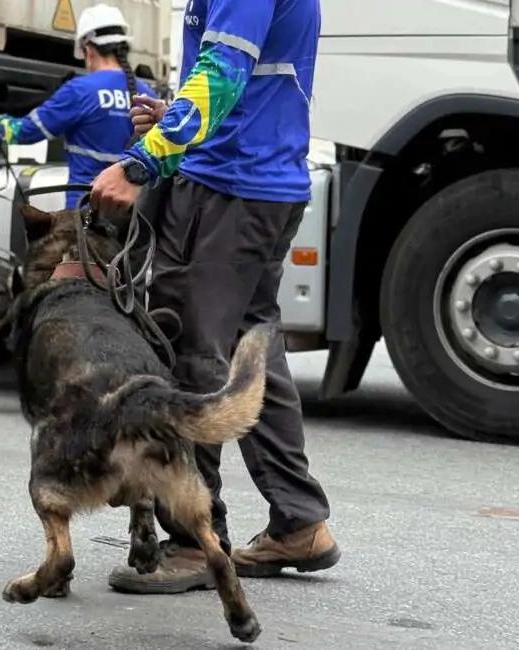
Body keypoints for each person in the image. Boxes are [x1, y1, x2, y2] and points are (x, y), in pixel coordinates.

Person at [89, 0, 340, 593]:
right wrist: (176, 116)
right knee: (254, 357)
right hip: (260, 186)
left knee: (191, 357)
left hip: (228, 192)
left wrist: (144, 162)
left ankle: (195, 542)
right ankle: (299, 521)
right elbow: (246, 82)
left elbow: (225, 70)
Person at [0, 3, 157, 210]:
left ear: (88, 50)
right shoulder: (149, 95)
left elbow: (24, 133)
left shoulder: (80, 91)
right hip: (135, 220)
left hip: (87, 219)